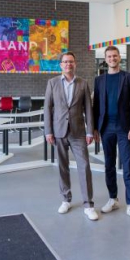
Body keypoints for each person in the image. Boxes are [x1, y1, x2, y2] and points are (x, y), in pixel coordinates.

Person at [44, 51, 98, 221]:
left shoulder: (83, 83)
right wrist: (48, 131)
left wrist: (90, 130)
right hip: (58, 131)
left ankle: (88, 204)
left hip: (78, 132)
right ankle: (65, 199)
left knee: (84, 166)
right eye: (65, 62)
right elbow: (47, 108)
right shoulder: (52, 83)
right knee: (62, 166)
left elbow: (88, 109)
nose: (68, 64)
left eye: (71, 62)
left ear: (75, 64)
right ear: (61, 65)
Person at [93, 46, 130, 222]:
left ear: (119, 58)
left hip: (124, 128)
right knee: (109, 166)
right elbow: (96, 106)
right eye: (109, 56)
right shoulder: (99, 80)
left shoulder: (128, 77)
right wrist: (94, 128)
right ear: (105, 59)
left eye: (115, 56)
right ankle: (113, 199)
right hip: (106, 128)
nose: (112, 59)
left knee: (128, 165)